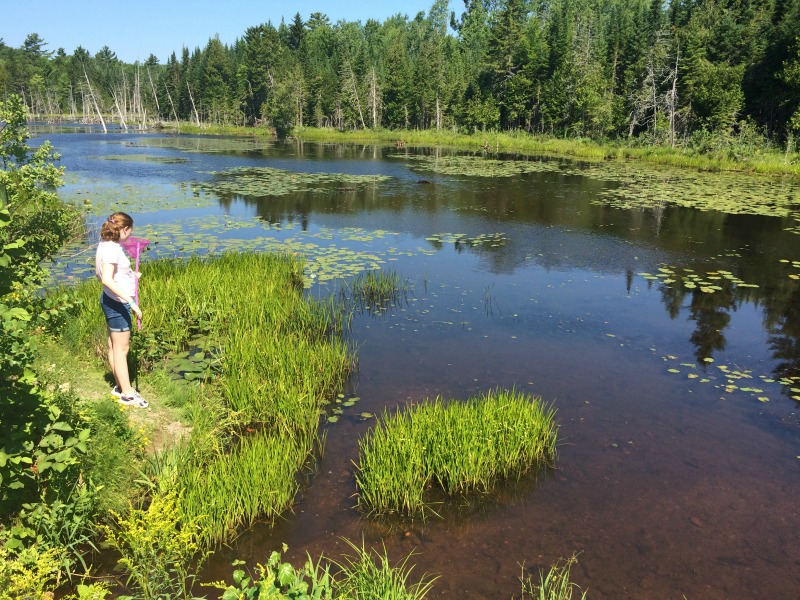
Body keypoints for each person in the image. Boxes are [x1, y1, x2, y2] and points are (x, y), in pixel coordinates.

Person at [95, 212, 148, 408]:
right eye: (129, 231)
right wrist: (131, 302)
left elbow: (109, 274)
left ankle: (119, 386)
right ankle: (127, 394)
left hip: (110, 299)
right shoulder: (112, 250)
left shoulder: (105, 244)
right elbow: (106, 279)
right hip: (117, 304)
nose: (129, 235)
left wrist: (131, 275)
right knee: (121, 349)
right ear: (124, 229)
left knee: (113, 346)